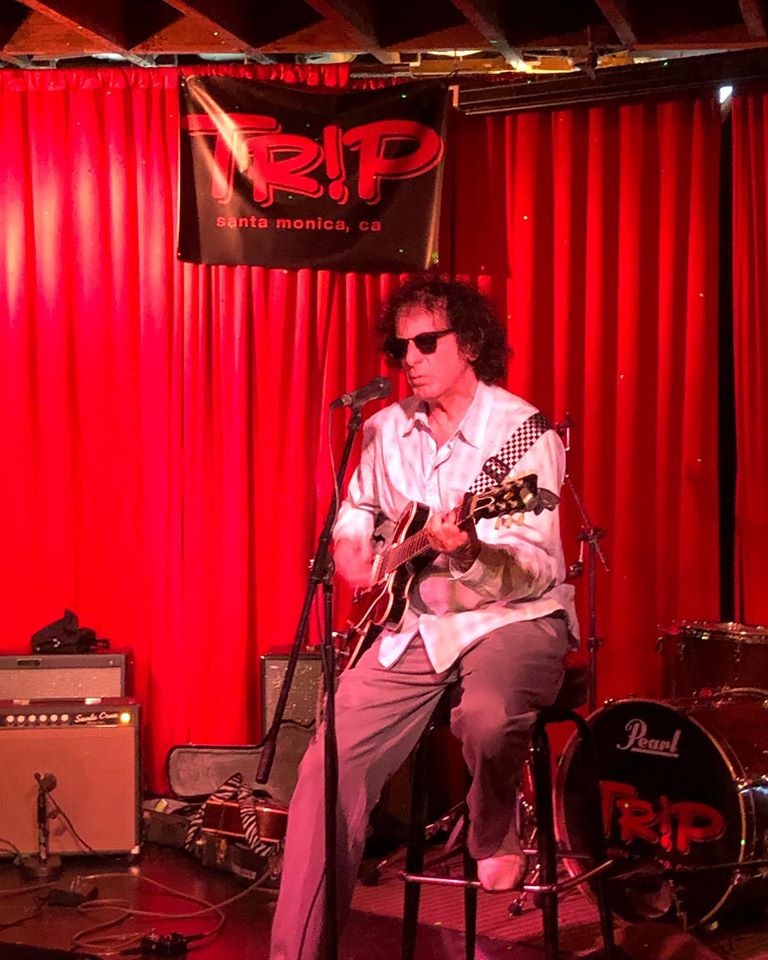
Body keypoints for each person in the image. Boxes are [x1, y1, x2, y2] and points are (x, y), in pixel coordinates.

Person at [270, 275, 578, 960]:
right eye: (398, 346)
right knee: (328, 764)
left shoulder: (523, 435)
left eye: (426, 342)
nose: (408, 358)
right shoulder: (383, 429)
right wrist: (356, 548)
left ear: (469, 343)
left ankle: (491, 826)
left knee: (487, 715)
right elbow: (357, 509)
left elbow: (535, 570)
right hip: (416, 622)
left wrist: (467, 550)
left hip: (510, 615)